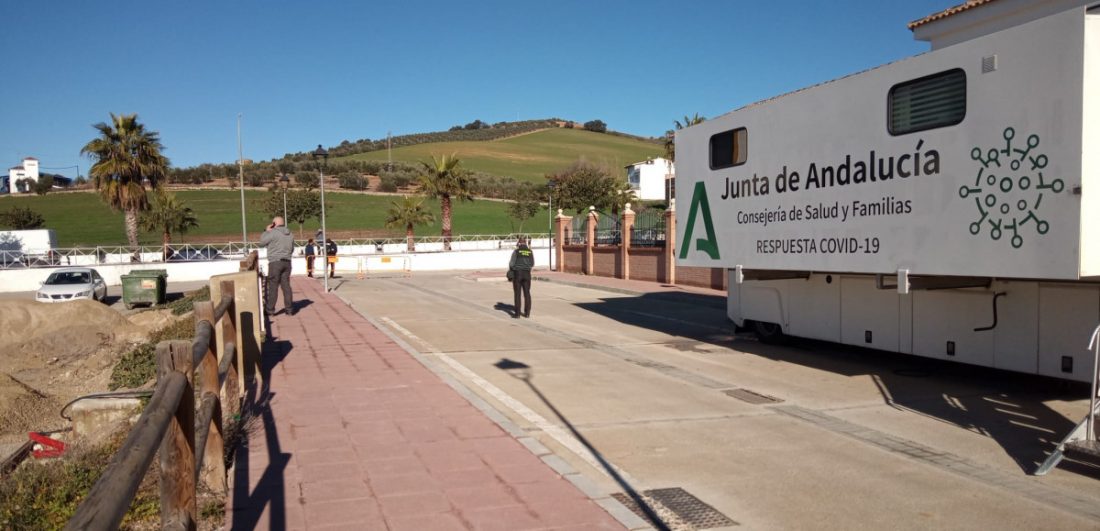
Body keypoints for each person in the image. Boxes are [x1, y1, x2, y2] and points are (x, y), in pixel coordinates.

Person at [260, 216, 295, 316]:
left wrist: (266, 231)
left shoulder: (273, 233)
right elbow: (292, 249)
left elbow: (262, 242)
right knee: (286, 286)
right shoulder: (290, 234)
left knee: (273, 287)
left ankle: (270, 310)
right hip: (287, 262)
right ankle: (289, 309)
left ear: (274, 224)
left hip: (275, 262)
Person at [508, 236, 535, 318]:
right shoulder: (530, 252)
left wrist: (513, 269)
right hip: (527, 274)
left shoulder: (516, 251)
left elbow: (511, 264)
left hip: (518, 274)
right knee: (527, 293)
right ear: (525, 242)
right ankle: (527, 313)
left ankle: (517, 314)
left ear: (519, 243)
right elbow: (532, 263)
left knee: (517, 294)